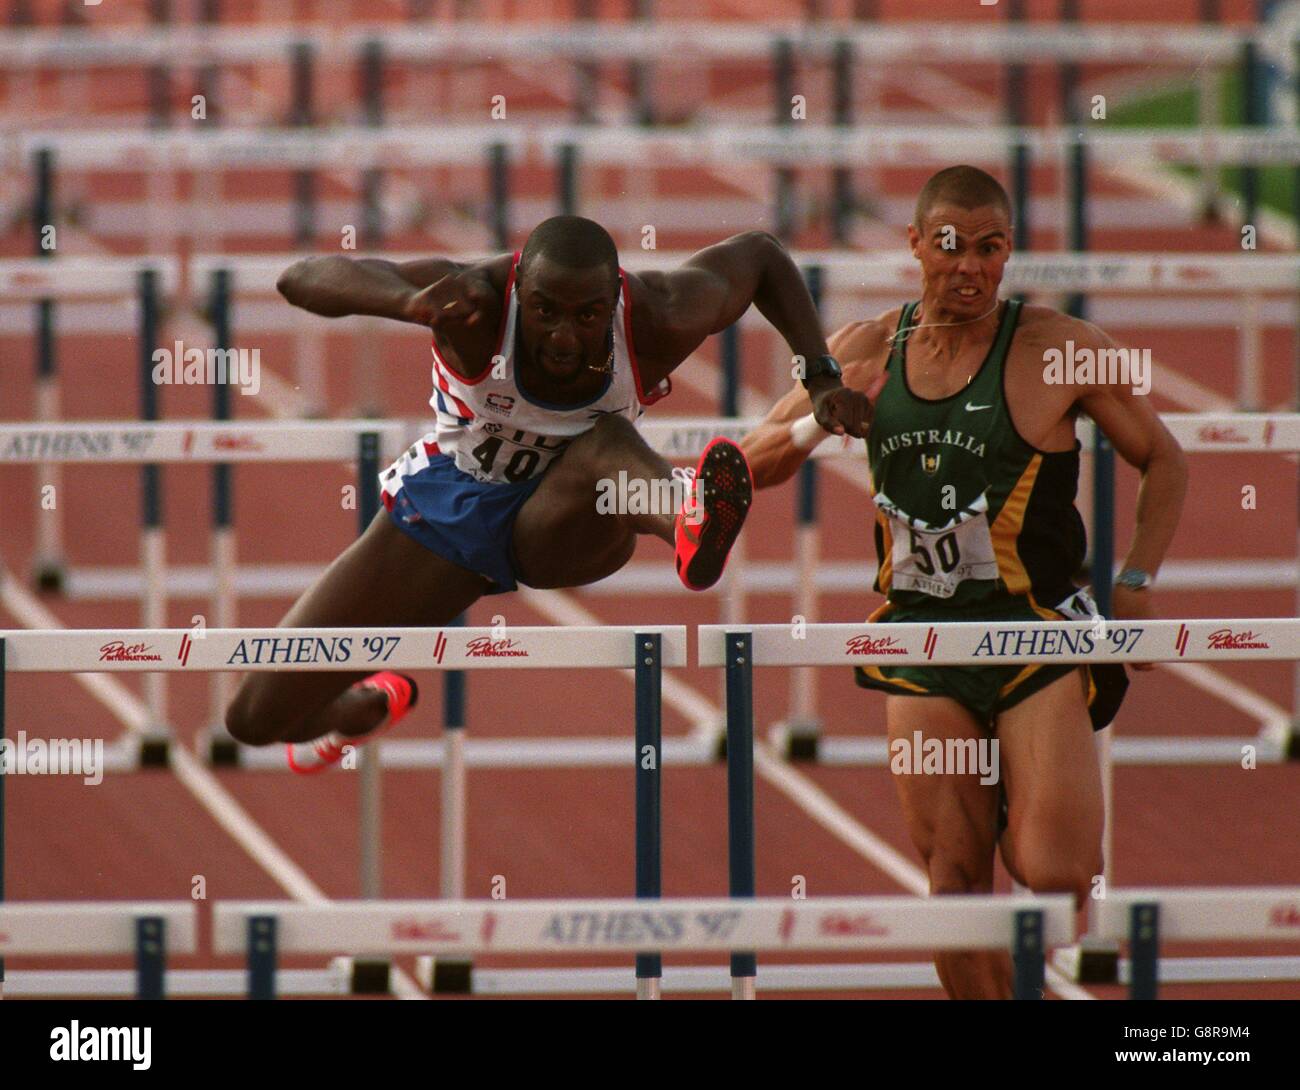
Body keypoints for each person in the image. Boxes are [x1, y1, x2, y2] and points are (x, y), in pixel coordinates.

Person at [741, 166, 1187, 999]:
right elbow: (748, 465)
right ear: (914, 245)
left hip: (1033, 635)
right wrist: (818, 415)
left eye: (989, 249)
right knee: (953, 886)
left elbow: (1164, 457)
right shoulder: (864, 349)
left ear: (1009, 252)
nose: (969, 267)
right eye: (949, 246)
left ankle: (1029, 793)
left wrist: (1135, 578)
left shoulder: (1058, 350)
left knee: (1054, 874)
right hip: (922, 640)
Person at [225, 216, 872, 771]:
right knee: (254, 718)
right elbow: (301, 278)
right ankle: (363, 704)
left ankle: (688, 517)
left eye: (587, 316)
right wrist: (410, 303)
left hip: (576, 518)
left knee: (604, 442)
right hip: (452, 512)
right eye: (546, 312)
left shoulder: (659, 317)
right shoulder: (474, 303)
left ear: (614, 303)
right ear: (518, 292)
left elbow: (761, 257)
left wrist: (820, 378)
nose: (564, 336)